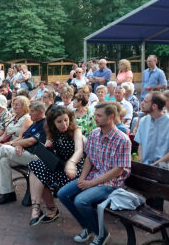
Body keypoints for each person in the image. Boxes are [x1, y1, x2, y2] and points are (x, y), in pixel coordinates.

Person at [58, 102, 132, 245]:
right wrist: (82, 178)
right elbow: (89, 159)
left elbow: (118, 170)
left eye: (99, 116)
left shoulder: (122, 139)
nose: (95, 118)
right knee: (63, 194)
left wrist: (90, 183)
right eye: (95, 115)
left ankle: (102, 234)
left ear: (111, 117)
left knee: (80, 200)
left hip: (112, 183)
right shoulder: (94, 134)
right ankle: (88, 227)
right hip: (93, 177)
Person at [28, 106, 85, 226]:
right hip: (59, 167)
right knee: (35, 167)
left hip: (74, 169)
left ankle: (46, 209)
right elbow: (50, 151)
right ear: (53, 123)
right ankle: (37, 208)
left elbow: (79, 150)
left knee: (38, 173)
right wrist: (48, 145)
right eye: (59, 121)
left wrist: (72, 163)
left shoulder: (76, 131)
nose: (64, 124)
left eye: (66, 120)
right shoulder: (52, 132)